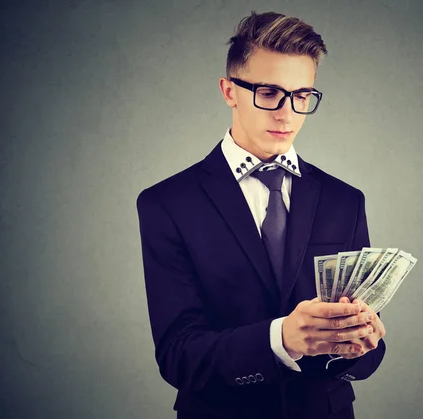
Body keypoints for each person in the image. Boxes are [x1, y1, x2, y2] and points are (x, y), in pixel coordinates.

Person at [136, 10, 386, 419]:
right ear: (229, 90)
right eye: (269, 92)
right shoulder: (167, 203)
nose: (287, 113)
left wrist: (361, 346)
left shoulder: (346, 200)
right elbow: (178, 355)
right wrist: (280, 339)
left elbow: (367, 357)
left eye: (302, 95)